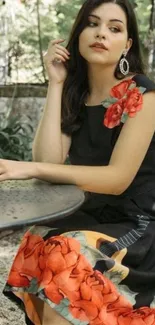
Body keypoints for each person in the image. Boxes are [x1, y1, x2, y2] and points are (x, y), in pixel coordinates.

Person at [2, 0, 155, 324]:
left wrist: (26, 168)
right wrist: (56, 83)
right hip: (91, 213)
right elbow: (49, 159)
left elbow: (117, 180)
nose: (101, 34)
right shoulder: (78, 94)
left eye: (114, 28)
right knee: (39, 240)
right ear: (78, 33)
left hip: (139, 224)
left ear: (127, 45)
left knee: (66, 252)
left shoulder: (144, 94)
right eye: (92, 24)